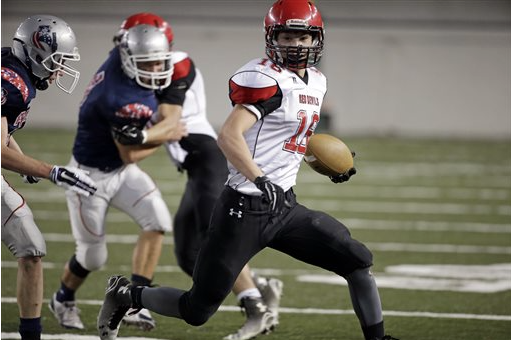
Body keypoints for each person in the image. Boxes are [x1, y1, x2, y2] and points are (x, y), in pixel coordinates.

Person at [97, 1, 399, 340]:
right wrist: (259, 177)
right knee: (196, 310)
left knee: (357, 260)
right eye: (287, 36)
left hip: (284, 208)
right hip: (243, 209)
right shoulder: (263, 77)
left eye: (304, 37)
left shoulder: (316, 81)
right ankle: (124, 294)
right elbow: (229, 135)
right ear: (273, 37)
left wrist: (330, 163)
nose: (296, 45)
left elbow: (290, 137)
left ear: (317, 40)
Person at [110, 12, 284, 340]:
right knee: (189, 255)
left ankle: (255, 307)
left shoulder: (177, 63)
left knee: (214, 238)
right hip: (193, 166)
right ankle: (261, 287)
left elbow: (168, 119)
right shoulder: (138, 74)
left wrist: (141, 135)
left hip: (207, 158)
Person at [48, 24, 185, 332]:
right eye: (146, 62)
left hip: (120, 172)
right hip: (89, 178)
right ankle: (62, 297)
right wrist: (168, 134)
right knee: (93, 257)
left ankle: (135, 305)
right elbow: (132, 155)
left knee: (158, 221)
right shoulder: (118, 97)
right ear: (128, 58)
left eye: (157, 61)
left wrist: (154, 132)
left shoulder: (119, 57)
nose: (154, 69)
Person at [1, 15, 97, 340]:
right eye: (57, 61)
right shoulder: (12, 86)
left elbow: (4, 134)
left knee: (30, 246)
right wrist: (50, 170)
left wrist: (24, 161)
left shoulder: (10, 67)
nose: (59, 70)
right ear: (36, 53)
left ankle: (31, 334)